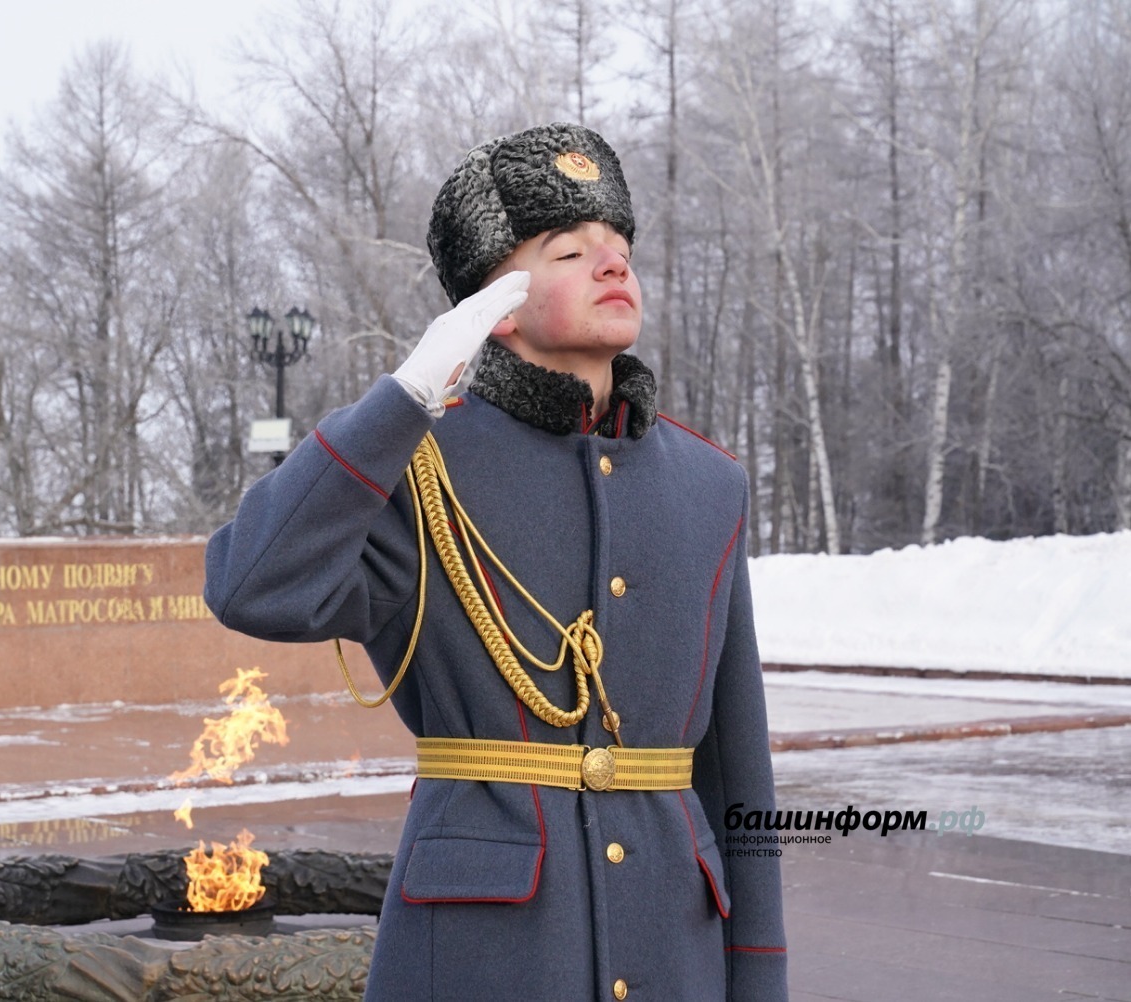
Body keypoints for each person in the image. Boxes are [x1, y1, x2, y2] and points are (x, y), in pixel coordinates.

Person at [204, 123, 787, 1001]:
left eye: (620, 247)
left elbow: (739, 773)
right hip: (486, 956)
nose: (612, 264)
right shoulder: (420, 466)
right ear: (496, 304)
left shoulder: (711, 485)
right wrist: (401, 400)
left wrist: (760, 980)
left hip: (678, 952)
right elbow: (250, 585)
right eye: (570, 250)